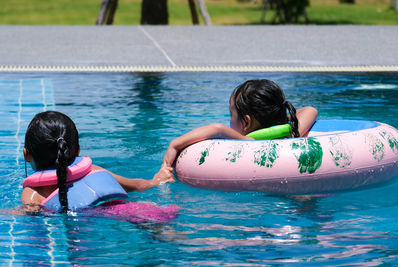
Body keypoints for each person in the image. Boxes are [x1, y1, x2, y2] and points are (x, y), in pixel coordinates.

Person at [20, 111, 175, 212]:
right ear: (78, 150)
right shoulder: (94, 170)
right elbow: (139, 185)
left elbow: (27, 217)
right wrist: (156, 180)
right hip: (139, 211)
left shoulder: (33, 194)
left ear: (26, 154)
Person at [160, 79, 318, 169]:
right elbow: (310, 110)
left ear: (247, 122)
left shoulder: (250, 143)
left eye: (231, 115)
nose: (229, 121)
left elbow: (217, 129)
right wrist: (283, 119)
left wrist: (174, 145)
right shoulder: (291, 132)